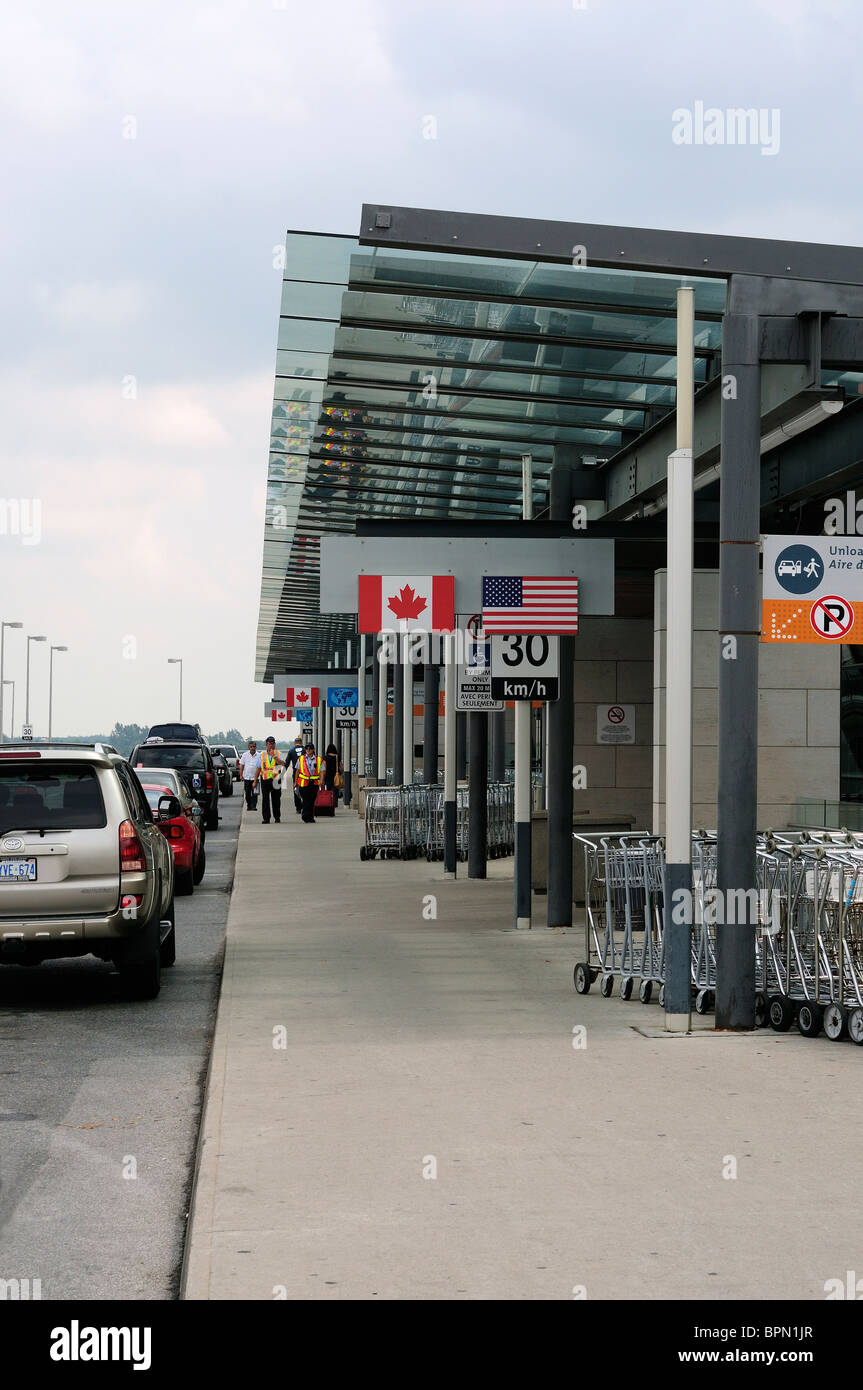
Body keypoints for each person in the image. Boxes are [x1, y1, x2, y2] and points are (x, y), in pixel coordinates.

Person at [254, 737, 286, 824]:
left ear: (275, 744)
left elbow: (283, 764)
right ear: (266, 744)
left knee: (276, 799)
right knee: (265, 799)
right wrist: (255, 780)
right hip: (265, 779)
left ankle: (277, 817)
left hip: (276, 779)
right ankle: (266, 818)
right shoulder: (261, 755)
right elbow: (258, 768)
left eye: (273, 743)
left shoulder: (279, 754)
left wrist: (274, 756)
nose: (271, 745)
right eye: (269, 743)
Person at [295, 742, 324, 823]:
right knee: (305, 800)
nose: (308, 750)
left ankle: (311, 817)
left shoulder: (318, 759)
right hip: (304, 783)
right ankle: (305, 816)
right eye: (306, 748)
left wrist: (321, 780)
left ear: (313, 750)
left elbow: (322, 771)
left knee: (312, 801)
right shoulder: (301, 759)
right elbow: (297, 771)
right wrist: (295, 781)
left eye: (310, 748)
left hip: (314, 783)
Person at [239, 740, 261, 810]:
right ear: (249, 747)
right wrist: (241, 775)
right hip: (247, 778)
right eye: (251, 747)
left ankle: (254, 806)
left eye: (254, 747)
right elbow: (242, 765)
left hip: (256, 778)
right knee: (247, 794)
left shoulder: (259, 755)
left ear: (256, 747)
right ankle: (249, 805)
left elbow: (260, 767)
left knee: (255, 793)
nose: (252, 748)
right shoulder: (245, 755)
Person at [286, 734, 305, 815]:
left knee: (296, 789)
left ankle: (298, 808)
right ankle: (305, 805)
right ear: (301, 742)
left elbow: (286, 763)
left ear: (295, 743)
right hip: (306, 773)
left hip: (295, 773)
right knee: (305, 790)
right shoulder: (306, 750)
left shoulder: (291, 751)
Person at [323, 742, 344, 808]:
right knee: (335, 791)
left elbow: (324, 768)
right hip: (336, 776)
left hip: (328, 777)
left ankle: (329, 803)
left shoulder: (325, 757)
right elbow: (341, 767)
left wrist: (323, 777)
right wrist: (341, 772)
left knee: (328, 791)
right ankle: (335, 804)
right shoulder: (337, 757)